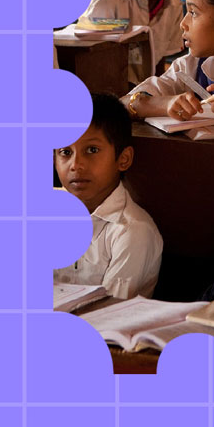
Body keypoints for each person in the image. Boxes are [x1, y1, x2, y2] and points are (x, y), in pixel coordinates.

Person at [53, 93, 163, 299]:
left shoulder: (132, 231)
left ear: (123, 159)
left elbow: (108, 311)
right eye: (65, 152)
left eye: (92, 150)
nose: (76, 165)